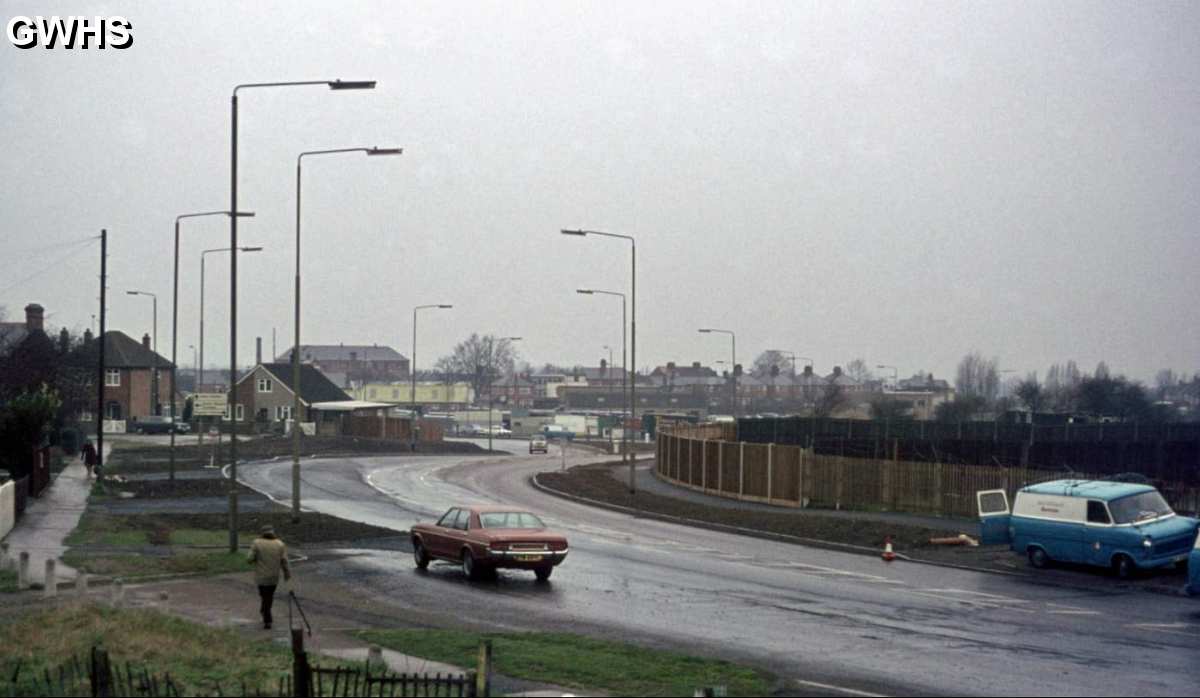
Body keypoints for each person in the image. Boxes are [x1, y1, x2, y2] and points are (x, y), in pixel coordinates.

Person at [247, 524, 291, 629]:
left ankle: (267, 619)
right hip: (274, 577)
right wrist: (287, 573)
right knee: (269, 596)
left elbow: (249, 559)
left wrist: (255, 558)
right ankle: (265, 612)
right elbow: (284, 561)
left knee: (264, 595)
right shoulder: (280, 544)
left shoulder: (257, 543)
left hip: (261, 577)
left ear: (262, 533)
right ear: (273, 533)